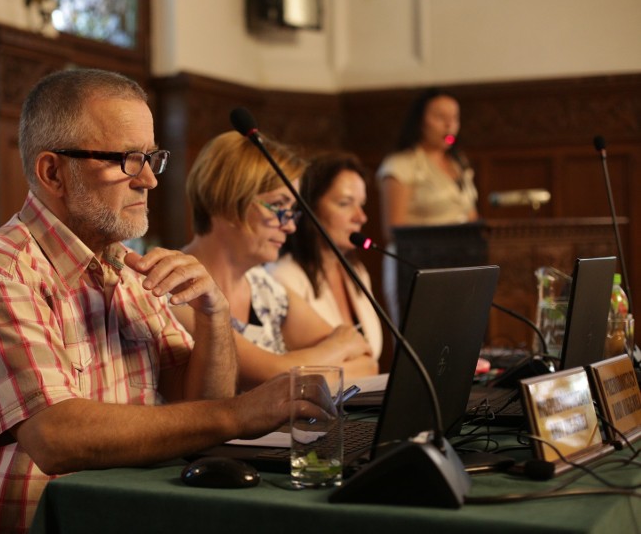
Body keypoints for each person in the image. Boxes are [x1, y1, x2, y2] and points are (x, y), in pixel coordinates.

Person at [0, 69, 330, 532]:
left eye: (152, 157)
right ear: (53, 172)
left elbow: (196, 408)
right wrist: (240, 413)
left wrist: (213, 315)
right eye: (127, 160)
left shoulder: (127, 268)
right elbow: (54, 436)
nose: (149, 180)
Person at [179, 131, 378, 391]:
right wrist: (338, 346)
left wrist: (296, 376)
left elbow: (367, 363)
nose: (290, 227)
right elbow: (271, 374)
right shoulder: (178, 285)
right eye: (278, 206)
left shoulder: (265, 288)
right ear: (227, 201)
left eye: (292, 211)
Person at [376, 88, 478, 324]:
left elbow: (471, 217)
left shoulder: (459, 163)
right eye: (440, 117)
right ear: (420, 121)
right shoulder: (401, 165)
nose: (449, 125)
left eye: (454, 118)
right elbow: (392, 229)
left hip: (461, 264)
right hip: (416, 267)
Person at [270, 151, 383, 360]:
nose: (361, 217)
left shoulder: (357, 272)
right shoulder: (282, 278)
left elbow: (370, 356)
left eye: (361, 204)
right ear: (309, 208)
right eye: (345, 203)